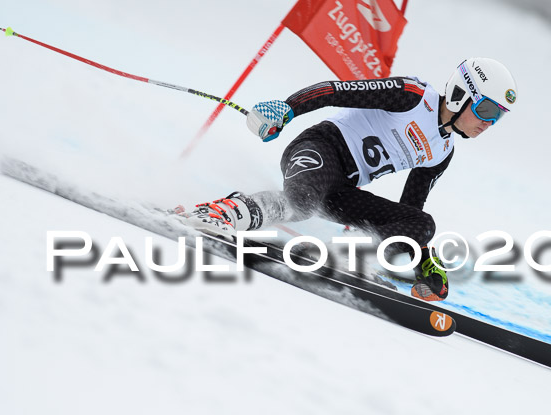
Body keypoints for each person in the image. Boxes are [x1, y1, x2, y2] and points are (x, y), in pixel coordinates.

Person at [184, 57, 518, 301]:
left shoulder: (442, 150)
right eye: (487, 110)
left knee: (422, 224)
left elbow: (409, 212)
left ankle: (350, 260)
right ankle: (221, 213)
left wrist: (425, 260)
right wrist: (288, 108)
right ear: (463, 94)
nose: (489, 123)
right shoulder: (412, 95)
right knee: (302, 203)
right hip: (320, 149)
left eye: (498, 117)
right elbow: (337, 91)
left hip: (343, 189)